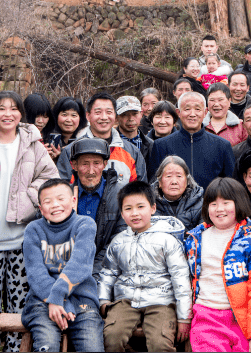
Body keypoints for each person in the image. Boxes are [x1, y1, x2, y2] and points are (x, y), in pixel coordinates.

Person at [0, 91, 60, 351]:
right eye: (1, 108)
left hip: (21, 241)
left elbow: (50, 178)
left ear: (21, 114)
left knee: (20, 303)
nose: (7, 114)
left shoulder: (33, 144)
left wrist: (28, 197)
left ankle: (17, 349)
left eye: (13, 108)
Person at [184, 178, 251, 353]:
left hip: (243, 320)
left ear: (239, 203)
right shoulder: (194, 240)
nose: (219, 209)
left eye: (226, 203)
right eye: (213, 204)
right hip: (206, 317)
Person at [99, 181, 192, 352]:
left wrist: (184, 317)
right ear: (121, 213)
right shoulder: (118, 241)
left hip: (162, 301)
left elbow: (181, 279)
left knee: (160, 343)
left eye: (140, 206)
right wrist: (103, 300)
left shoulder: (167, 240)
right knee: (111, 337)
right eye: (128, 209)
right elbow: (108, 273)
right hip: (125, 300)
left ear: (153, 208)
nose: (135, 213)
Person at [21, 179, 103, 352]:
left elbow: (80, 265)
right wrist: (56, 301)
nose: (55, 205)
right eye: (48, 202)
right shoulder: (33, 230)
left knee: (92, 348)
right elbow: (36, 272)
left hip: (82, 300)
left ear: (73, 201)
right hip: (42, 301)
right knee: (47, 345)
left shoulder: (85, 224)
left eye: (60, 199)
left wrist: (59, 296)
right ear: (41, 209)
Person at [149, 92, 236, 189]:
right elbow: (154, 184)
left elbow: (230, 185)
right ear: (179, 113)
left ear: (205, 112)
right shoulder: (161, 145)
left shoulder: (222, 146)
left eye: (197, 109)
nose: (192, 114)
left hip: (209, 202)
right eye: (187, 109)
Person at [56, 92, 146, 185]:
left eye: (109, 112)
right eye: (98, 112)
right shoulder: (70, 151)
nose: (103, 117)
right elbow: (64, 190)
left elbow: (140, 190)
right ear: (88, 116)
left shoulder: (132, 152)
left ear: (115, 116)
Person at [66, 138, 126, 273]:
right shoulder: (64, 195)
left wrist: (95, 269)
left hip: (107, 270)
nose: (91, 171)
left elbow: (120, 238)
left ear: (105, 164)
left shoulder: (120, 195)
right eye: (85, 164)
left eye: (97, 163)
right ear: (74, 165)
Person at [152, 155, 205, 232]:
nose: (174, 182)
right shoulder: (149, 204)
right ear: (159, 182)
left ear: (187, 181)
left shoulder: (201, 205)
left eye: (179, 176)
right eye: (169, 176)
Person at [115, 95, 153, 162]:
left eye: (135, 114)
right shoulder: (109, 144)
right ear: (117, 117)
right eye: (125, 114)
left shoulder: (150, 145)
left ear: (141, 114)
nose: (131, 119)